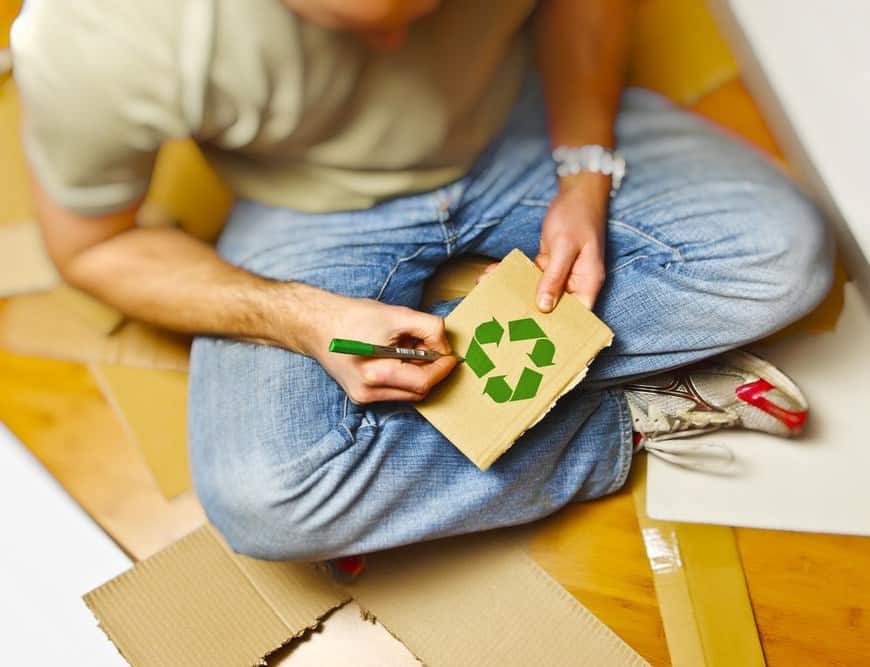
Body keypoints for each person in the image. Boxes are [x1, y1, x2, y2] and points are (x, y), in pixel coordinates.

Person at [11, 0, 833, 561]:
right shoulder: (99, 31)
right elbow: (93, 248)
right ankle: (628, 416)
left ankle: (501, 398)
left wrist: (583, 167)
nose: (397, 44)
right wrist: (305, 318)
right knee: (266, 495)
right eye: (347, 22)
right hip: (306, 201)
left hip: (521, 115)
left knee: (782, 256)